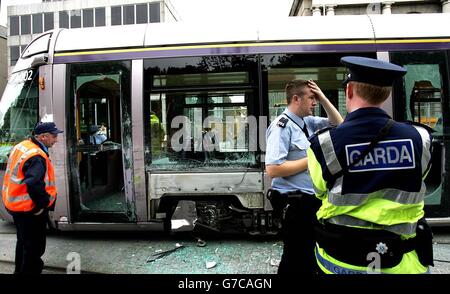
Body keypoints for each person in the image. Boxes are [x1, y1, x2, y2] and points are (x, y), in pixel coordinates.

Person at [307, 56, 434, 274]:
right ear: (387, 93)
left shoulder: (324, 143)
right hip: (404, 262)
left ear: (348, 91)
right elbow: (423, 180)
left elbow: (320, 191)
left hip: (342, 259)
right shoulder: (420, 138)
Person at [265, 79, 343, 275]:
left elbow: (339, 125)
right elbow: (273, 168)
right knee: (295, 255)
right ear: (296, 99)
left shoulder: (307, 123)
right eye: (311, 98)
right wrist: (313, 159)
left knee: (308, 255)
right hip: (293, 202)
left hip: (309, 200)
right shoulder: (281, 127)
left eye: (316, 98)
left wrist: (323, 98)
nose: (314, 103)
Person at [2, 122, 63, 274]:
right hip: (29, 210)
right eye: (54, 136)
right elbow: (34, 184)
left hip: (15, 206)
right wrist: (42, 206)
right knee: (34, 248)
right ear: (43, 137)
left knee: (23, 243)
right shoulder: (36, 156)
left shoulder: (22, 146)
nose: (56, 140)